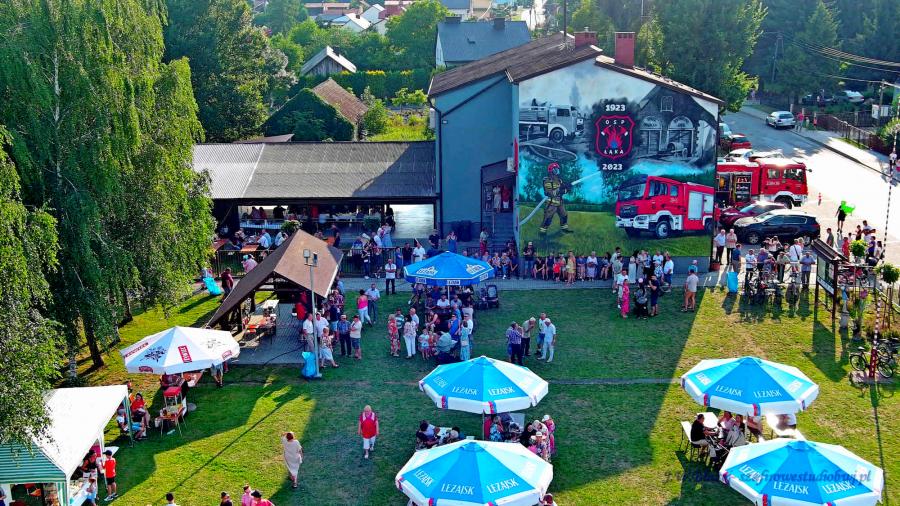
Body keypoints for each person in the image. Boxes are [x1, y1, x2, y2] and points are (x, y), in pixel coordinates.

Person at [540, 162, 573, 234]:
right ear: (551, 170)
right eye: (555, 169)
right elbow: (550, 193)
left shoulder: (559, 180)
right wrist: (561, 190)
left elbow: (563, 189)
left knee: (564, 215)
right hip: (552, 203)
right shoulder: (547, 180)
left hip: (560, 202)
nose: (557, 171)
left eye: (557, 169)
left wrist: (568, 187)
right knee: (548, 218)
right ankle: (542, 232)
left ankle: (564, 229)